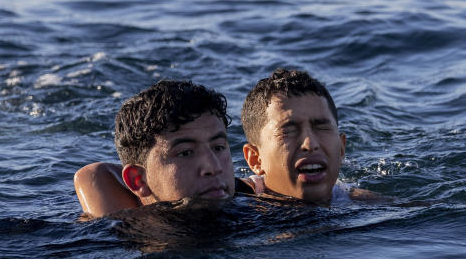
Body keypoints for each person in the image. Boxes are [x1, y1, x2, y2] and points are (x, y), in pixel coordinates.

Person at [74, 80, 236, 217]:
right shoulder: (116, 240)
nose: (214, 167)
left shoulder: (256, 202)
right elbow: (94, 174)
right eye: (186, 153)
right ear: (138, 180)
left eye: (218, 147)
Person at [240, 68, 349, 204]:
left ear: (341, 149)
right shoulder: (235, 203)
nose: (310, 144)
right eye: (288, 131)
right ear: (255, 159)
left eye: (322, 128)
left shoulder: (363, 204)